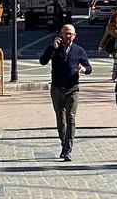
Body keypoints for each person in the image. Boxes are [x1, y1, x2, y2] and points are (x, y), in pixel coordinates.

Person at [39, 22, 92, 161]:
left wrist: (84, 69)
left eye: (70, 34)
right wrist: (53, 49)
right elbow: (42, 61)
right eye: (64, 33)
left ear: (74, 36)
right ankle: (64, 144)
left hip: (72, 88)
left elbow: (89, 68)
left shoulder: (78, 50)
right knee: (60, 118)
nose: (67, 36)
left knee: (71, 118)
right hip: (57, 88)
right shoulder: (53, 48)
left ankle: (68, 150)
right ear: (60, 35)